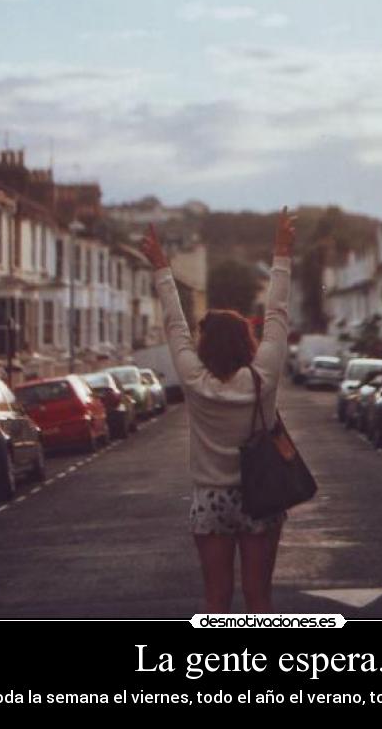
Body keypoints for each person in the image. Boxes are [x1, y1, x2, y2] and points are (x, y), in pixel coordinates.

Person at [141, 207, 296, 614]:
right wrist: (282, 251)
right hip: (260, 496)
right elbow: (278, 313)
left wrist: (162, 268)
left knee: (216, 600)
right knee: (259, 599)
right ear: (248, 341)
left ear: (205, 346)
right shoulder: (263, 377)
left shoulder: (195, 380)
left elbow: (175, 325)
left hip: (210, 499)